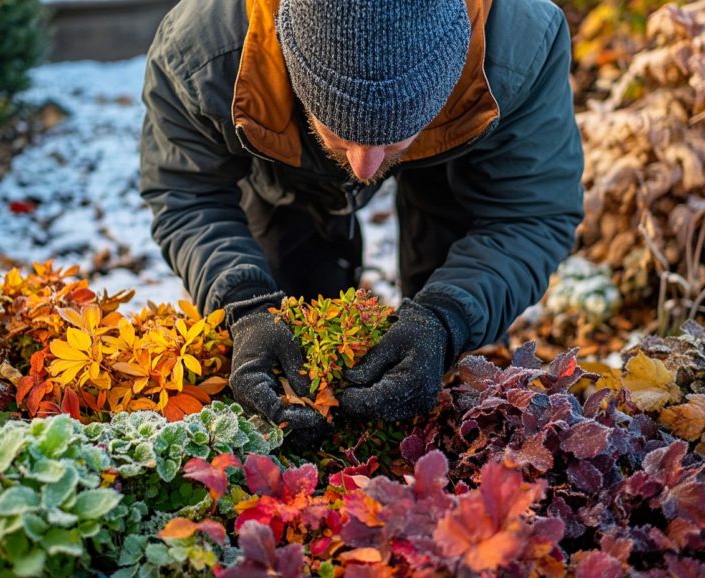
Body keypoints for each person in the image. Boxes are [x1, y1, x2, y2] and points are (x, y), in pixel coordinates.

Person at [140, 0, 584, 443]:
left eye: (389, 143)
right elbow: (187, 193)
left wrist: (448, 317)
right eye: (339, 134)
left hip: (456, 146)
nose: (364, 168)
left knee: (441, 330)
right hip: (284, 153)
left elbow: (530, 211)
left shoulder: (519, 47)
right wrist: (243, 301)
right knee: (288, 315)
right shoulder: (201, 51)